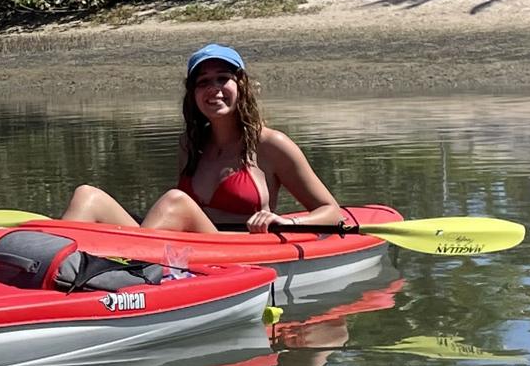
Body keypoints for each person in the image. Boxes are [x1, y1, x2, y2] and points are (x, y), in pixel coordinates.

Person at [62, 43, 344, 234]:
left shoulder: (271, 145)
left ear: (241, 85)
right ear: (193, 93)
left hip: (235, 249)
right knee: (87, 195)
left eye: (222, 78)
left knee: (176, 201)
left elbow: (331, 212)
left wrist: (284, 222)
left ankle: (129, 266)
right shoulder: (190, 144)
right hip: (187, 247)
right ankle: (52, 274)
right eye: (203, 82)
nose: (214, 89)